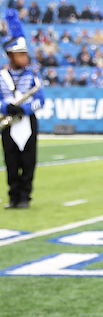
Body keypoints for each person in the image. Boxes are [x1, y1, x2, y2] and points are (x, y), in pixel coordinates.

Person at [1, 32, 44, 209]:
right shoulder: (2, 76)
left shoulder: (33, 76)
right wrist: (5, 107)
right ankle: (13, 196)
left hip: (27, 121)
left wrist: (24, 109)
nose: (25, 58)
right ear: (10, 56)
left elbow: (40, 100)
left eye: (25, 54)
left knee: (28, 161)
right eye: (20, 55)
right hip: (8, 123)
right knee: (10, 161)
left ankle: (25, 196)